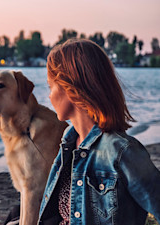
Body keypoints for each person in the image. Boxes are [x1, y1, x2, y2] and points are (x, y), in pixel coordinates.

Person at [38, 38, 160, 225]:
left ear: (70, 88)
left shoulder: (122, 151)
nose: (49, 95)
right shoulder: (69, 142)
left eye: (50, 86)